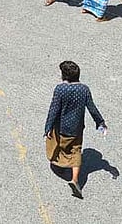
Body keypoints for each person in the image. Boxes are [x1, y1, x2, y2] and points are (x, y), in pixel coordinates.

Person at [44, 60, 106, 200]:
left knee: (58, 145)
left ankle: (59, 165)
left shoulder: (60, 89)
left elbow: (53, 110)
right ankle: (75, 180)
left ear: (64, 76)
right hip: (76, 128)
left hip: (60, 127)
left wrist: (48, 127)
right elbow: (92, 108)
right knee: (76, 150)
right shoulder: (84, 89)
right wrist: (100, 122)